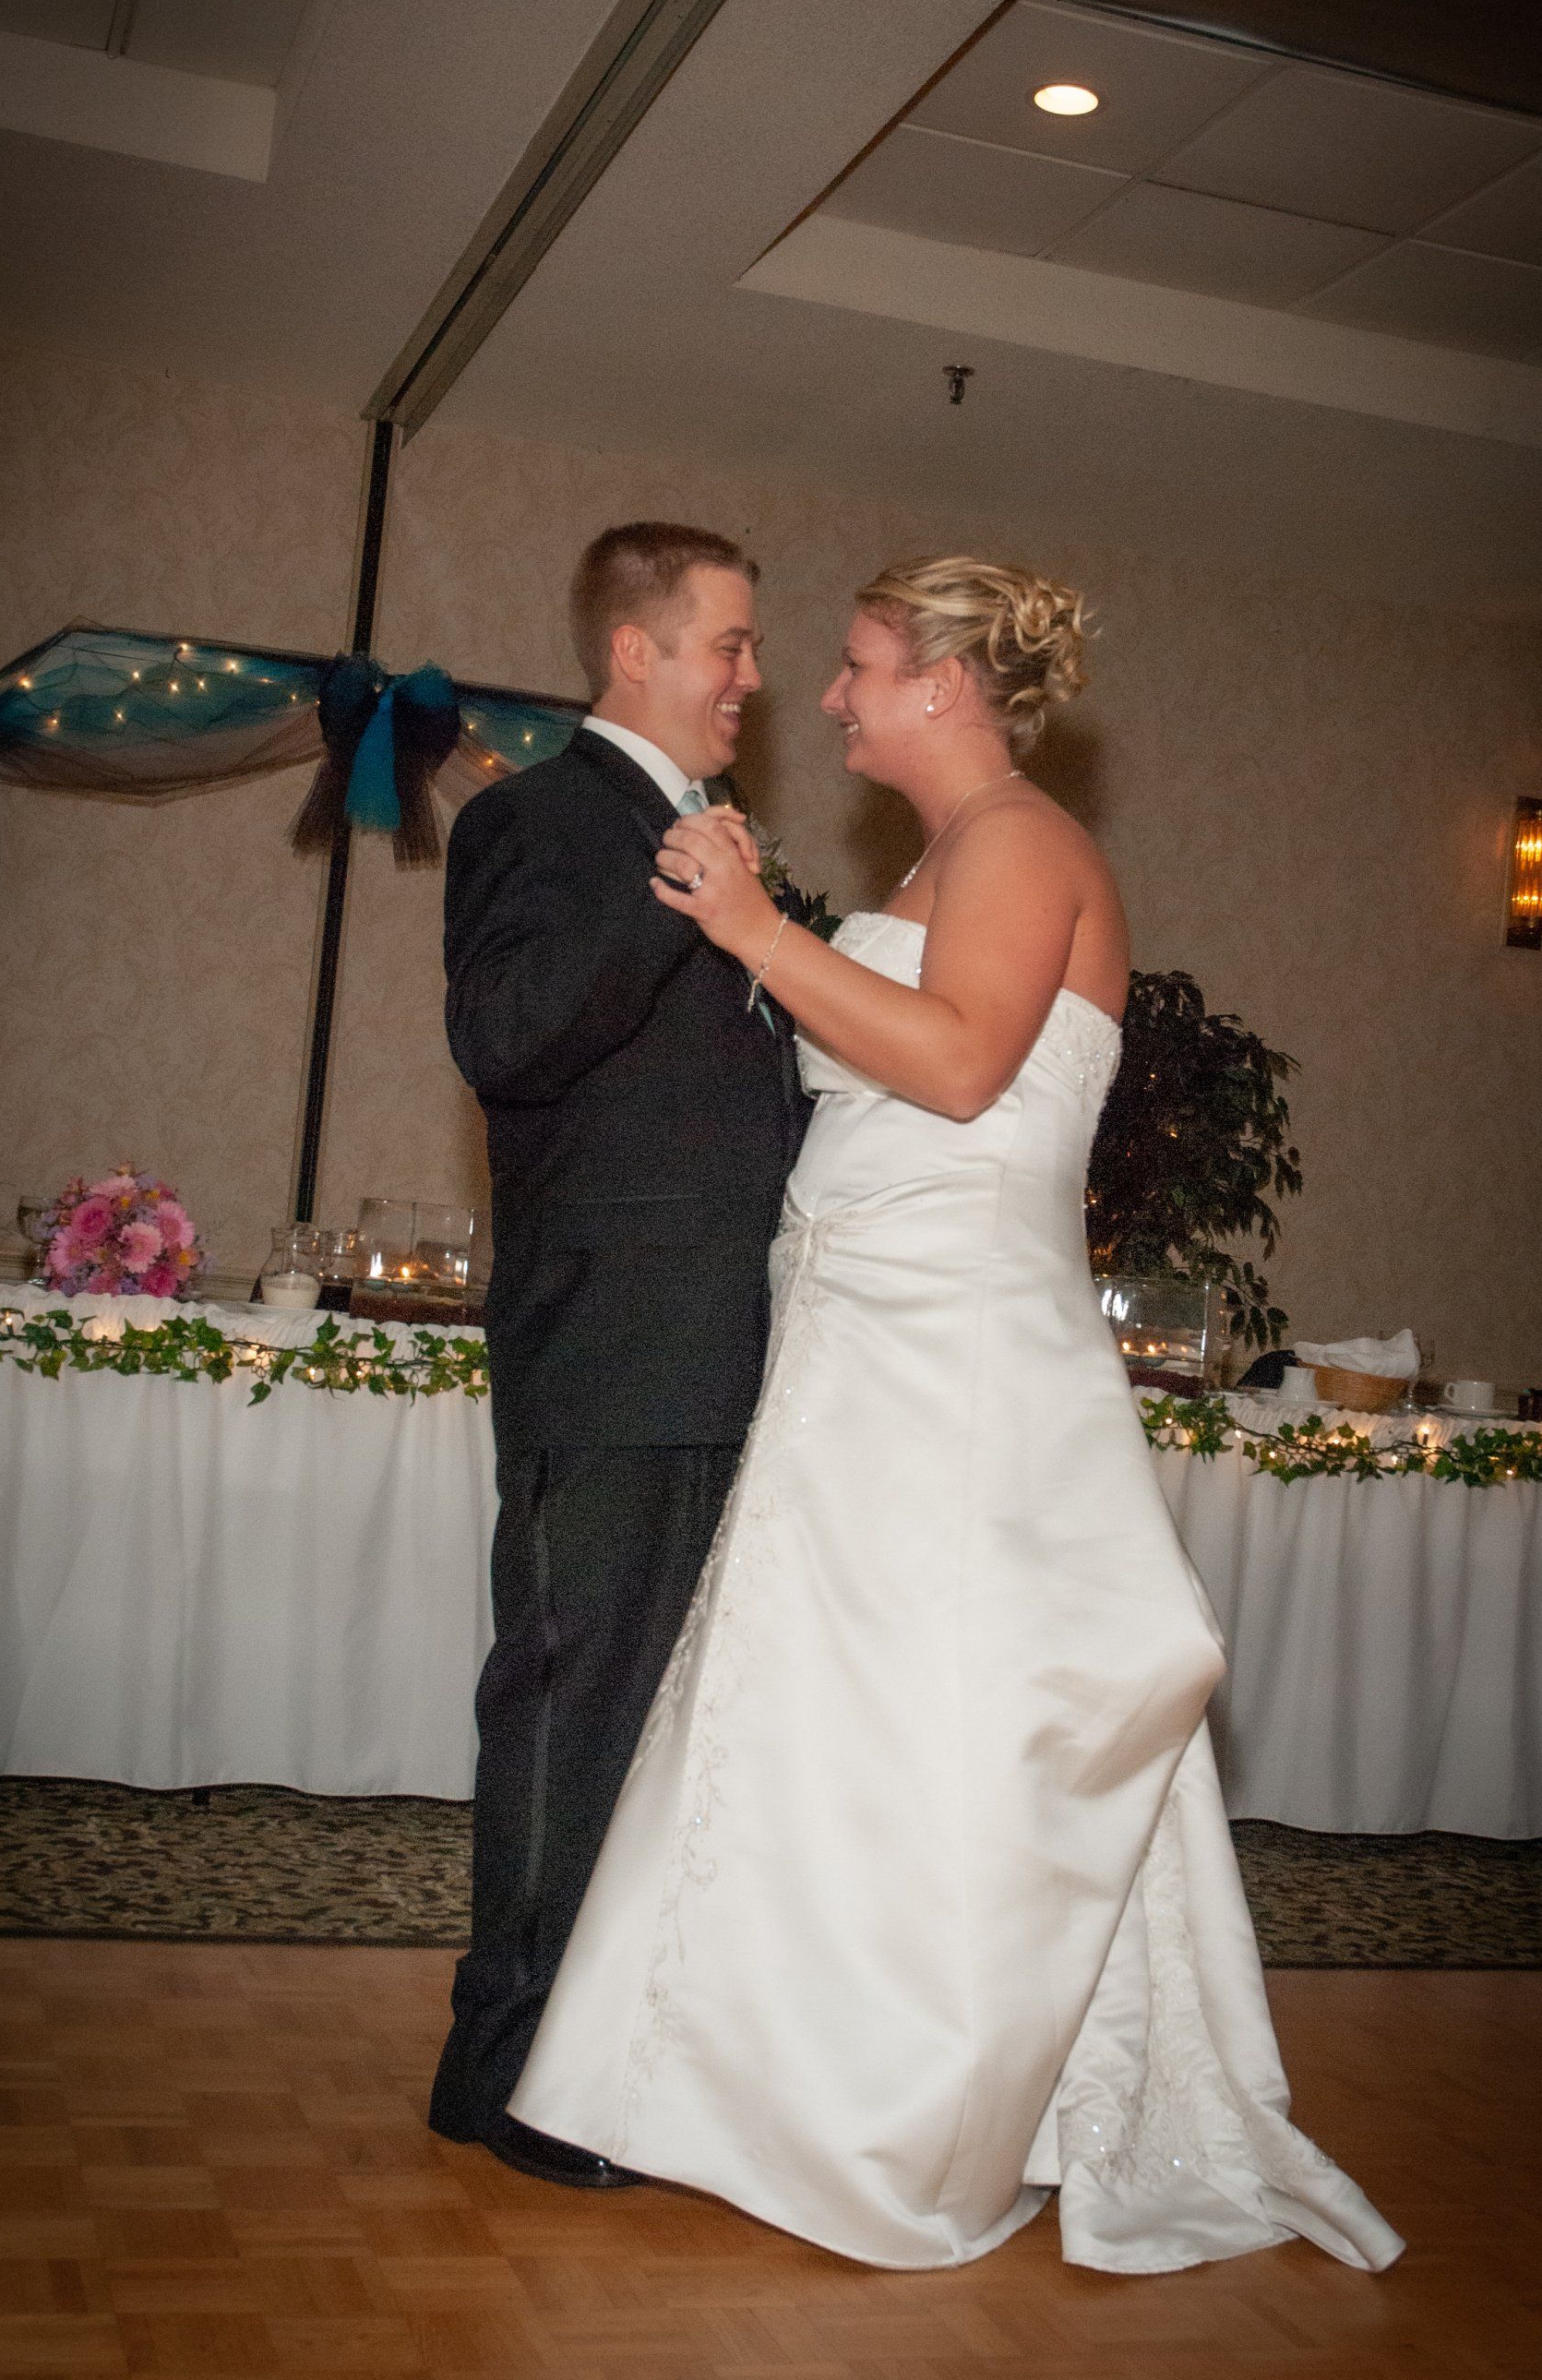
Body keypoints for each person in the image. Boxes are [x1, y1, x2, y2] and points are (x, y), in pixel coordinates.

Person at [510, 554, 1403, 2274]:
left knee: (934, 1718)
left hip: (957, 1350)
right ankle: (762, 2088)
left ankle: (900, 2116)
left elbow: (961, 1064)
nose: (827, 695)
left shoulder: (1020, 843)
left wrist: (755, 926)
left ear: (941, 684)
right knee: (834, 1712)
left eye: (855, 665)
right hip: (869, 1335)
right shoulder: (943, 857)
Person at [428, 522, 808, 2184]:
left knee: (664, 1723)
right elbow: (506, 1037)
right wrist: (688, 896)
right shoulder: (536, 819)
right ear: (634, 651)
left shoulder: (714, 843)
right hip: (611, 1343)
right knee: (572, 1700)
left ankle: (613, 2060)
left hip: (730, 1346)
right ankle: (508, 2075)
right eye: (729, 643)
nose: (752, 677)